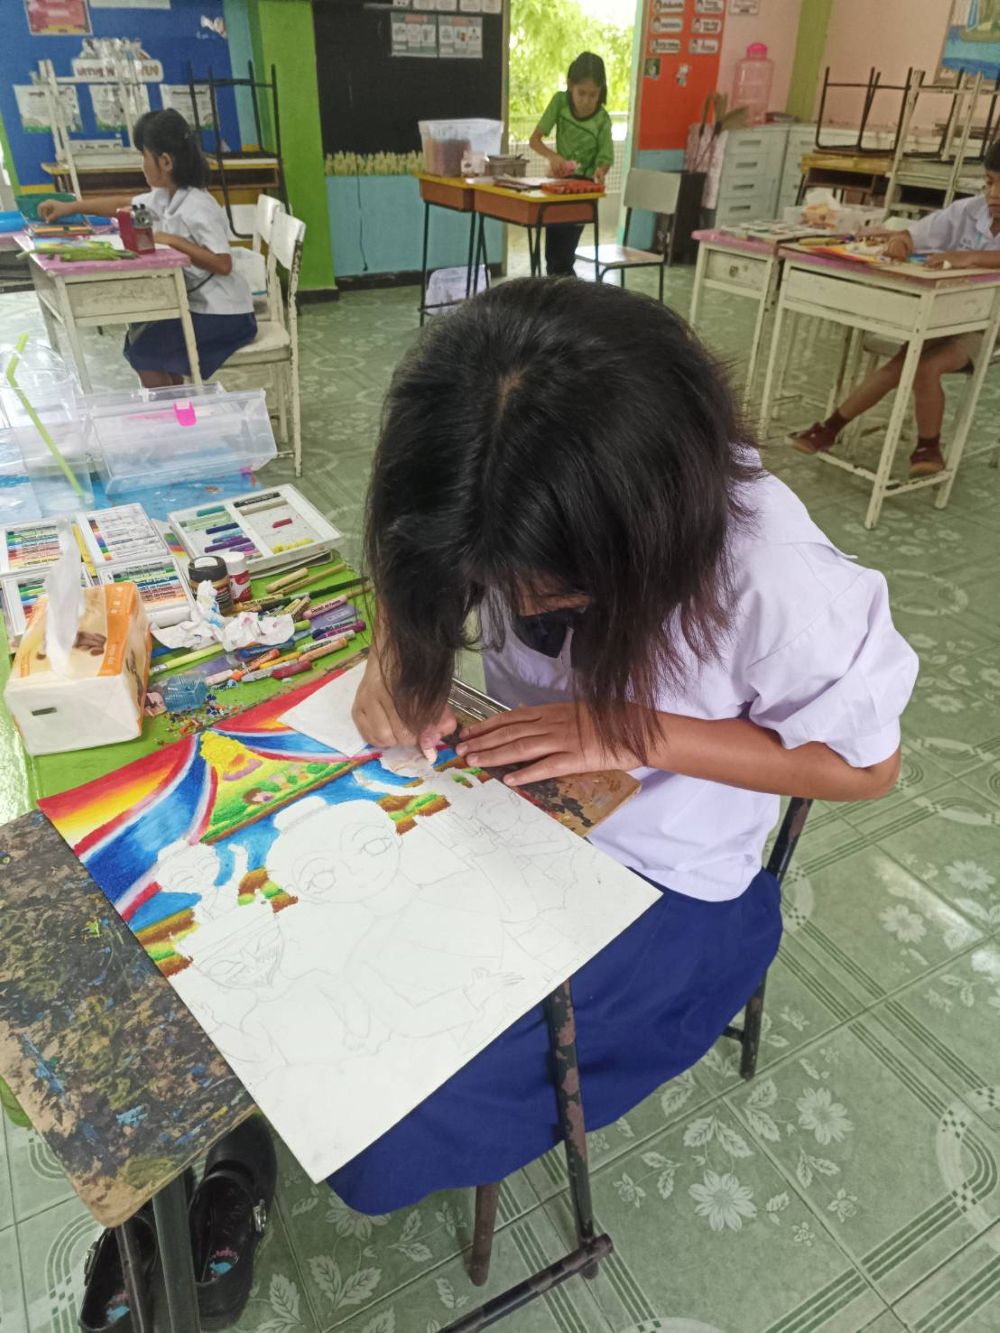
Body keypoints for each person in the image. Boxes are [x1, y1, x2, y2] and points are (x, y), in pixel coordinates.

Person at [329, 277, 918, 1215]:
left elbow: (869, 765)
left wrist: (635, 730)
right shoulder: (483, 467)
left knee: (380, 1117)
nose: (519, 607)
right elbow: (420, 554)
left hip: (670, 880)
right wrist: (398, 651)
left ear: (645, 534)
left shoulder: (773, 573)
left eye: (553, 591)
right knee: (332, 967)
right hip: (517, 814)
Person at [792, 141, 1000, 476]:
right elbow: (913, 234)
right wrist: (901, 242)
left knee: (923, 366)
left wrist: (971, 257)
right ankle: (832, 428)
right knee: (904, 363)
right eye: (989, 182)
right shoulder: (967, 211)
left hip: (987, 330)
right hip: (944, 319)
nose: (994, 194)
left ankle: (925, 445)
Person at [39, 109, 256, 387]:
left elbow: (223, 264)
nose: (142, 164)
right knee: (139, 339)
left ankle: (177, 410)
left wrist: (173, 240)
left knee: (145, 352)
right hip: (200, 305)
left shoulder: (198, 204)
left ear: (165, 162)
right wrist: (70, 207)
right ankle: (181, 407)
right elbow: (122, 205)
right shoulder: (165, 197)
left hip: (227, 314)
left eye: (143, 155)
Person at [529, 51, 614, 277]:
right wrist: (553, 157)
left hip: (583, 192)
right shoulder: (560, 102)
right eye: (581, 93)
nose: (586, 101)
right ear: (570, 86)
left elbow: (605, 158)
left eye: (593, 95)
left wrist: (601, 170)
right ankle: (559, 294)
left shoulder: (602, 120)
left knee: (563, 258)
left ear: (601, 91)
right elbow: (534, 140)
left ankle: (566, 295)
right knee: (552, 258)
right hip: (558, 188)